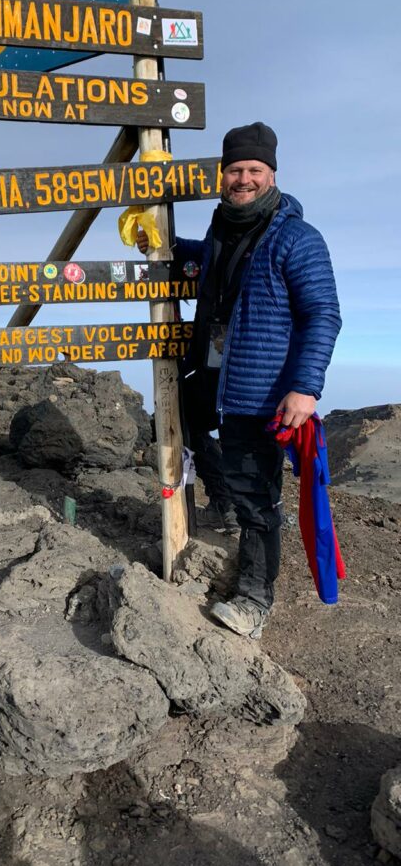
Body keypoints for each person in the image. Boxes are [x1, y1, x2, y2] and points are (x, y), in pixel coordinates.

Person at [136, 122, 341, 639]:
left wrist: (305, 387)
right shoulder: (222, 228)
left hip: (261, 391)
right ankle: (222, 500)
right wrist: (163, 243)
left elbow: (323, 314)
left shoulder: (297, 237)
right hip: (211, 374)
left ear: (271, 174)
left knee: (259, 495)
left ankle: (254, 595)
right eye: (234, 170)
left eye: (254, 170)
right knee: (175, 412)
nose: (243, 179)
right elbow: (209, 263)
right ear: (222, 175)